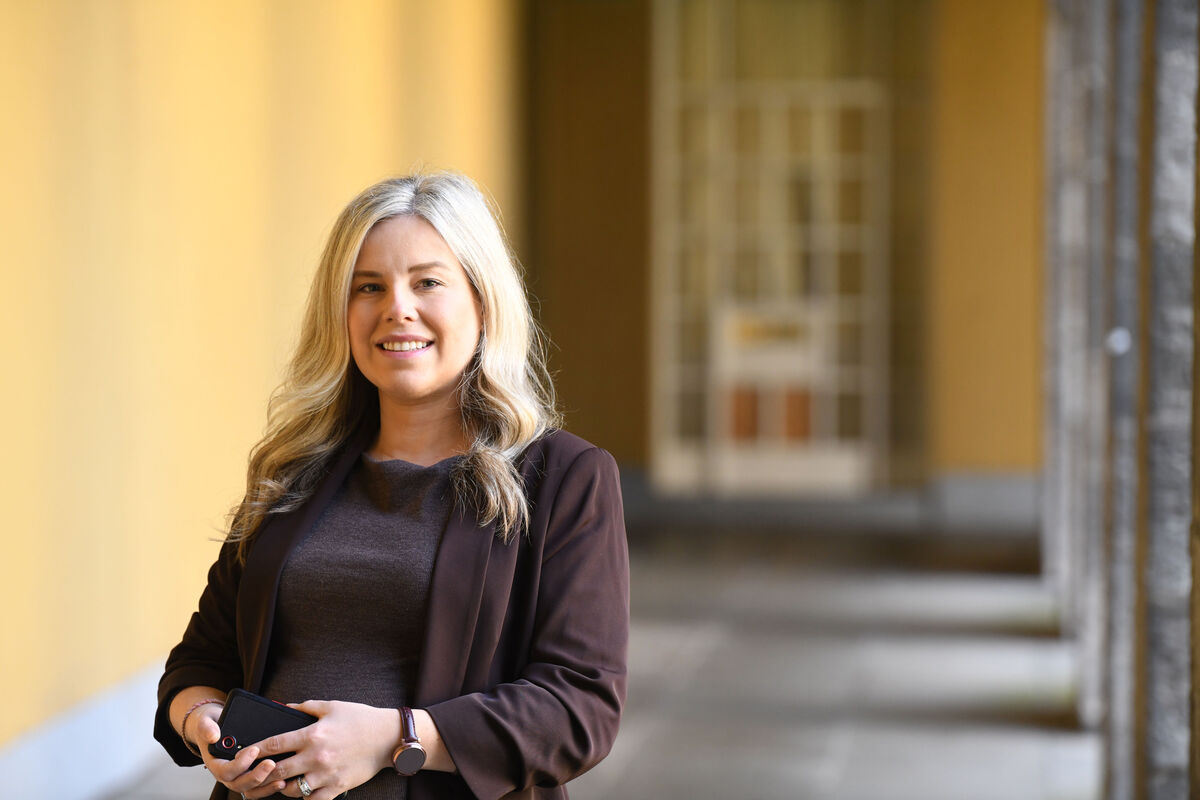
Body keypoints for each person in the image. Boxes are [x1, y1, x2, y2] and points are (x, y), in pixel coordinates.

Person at [153, 171, 630, 800]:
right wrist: (202, 724)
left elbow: (580, 708)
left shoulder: (564, 478)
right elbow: (201, 661)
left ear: (482, 303)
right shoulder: (292, 470)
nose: (396, 308)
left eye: (428, 282)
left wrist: (396, 737)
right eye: (368, 287)